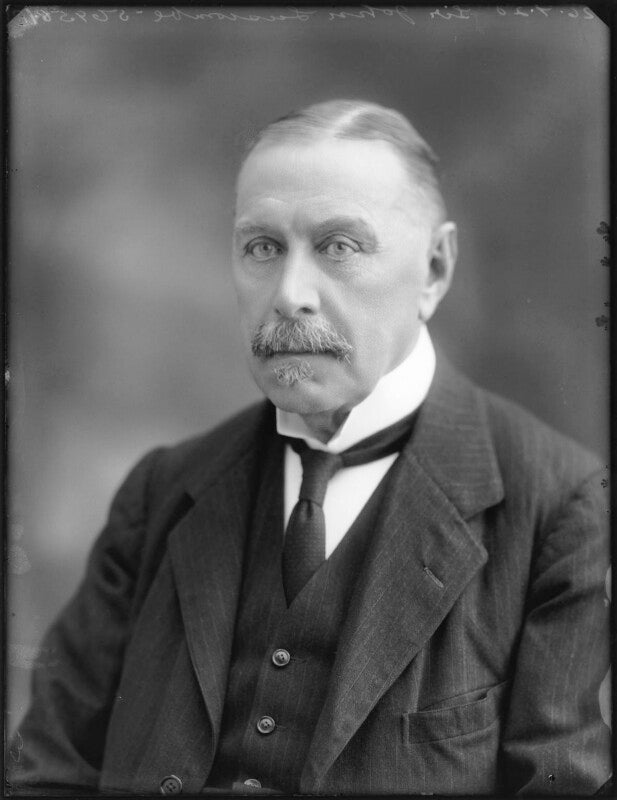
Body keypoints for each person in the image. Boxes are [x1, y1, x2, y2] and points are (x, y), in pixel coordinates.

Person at [8, 100, 611, 796]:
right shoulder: (162, 492)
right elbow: (45, 772)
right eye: (262, 247)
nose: (290, 294)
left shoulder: (557, 507)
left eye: (339, 246)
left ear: (434, 268)